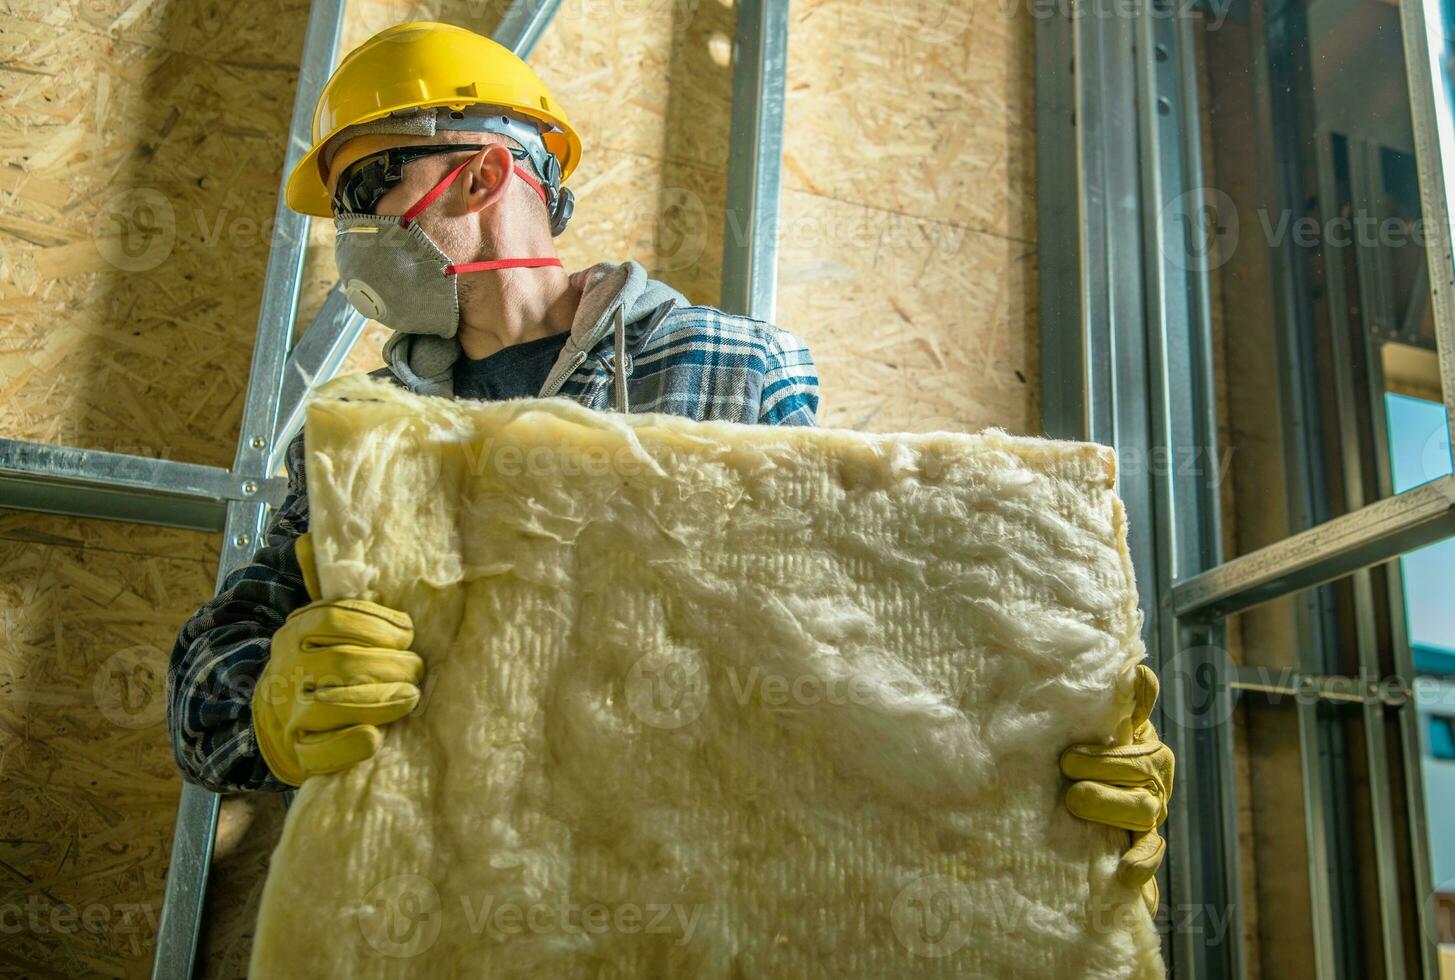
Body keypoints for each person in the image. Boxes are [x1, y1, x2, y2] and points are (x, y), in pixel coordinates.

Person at [166, 20, 1171, 915]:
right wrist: (265, 702)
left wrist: (1047, 753)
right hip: (443, 915)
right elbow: (203, 679)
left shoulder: (727, 367)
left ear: (476, 176)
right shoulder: (359, 432)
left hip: (671, 902)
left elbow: (849, 629)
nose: (350, 239)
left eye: (359, 191)